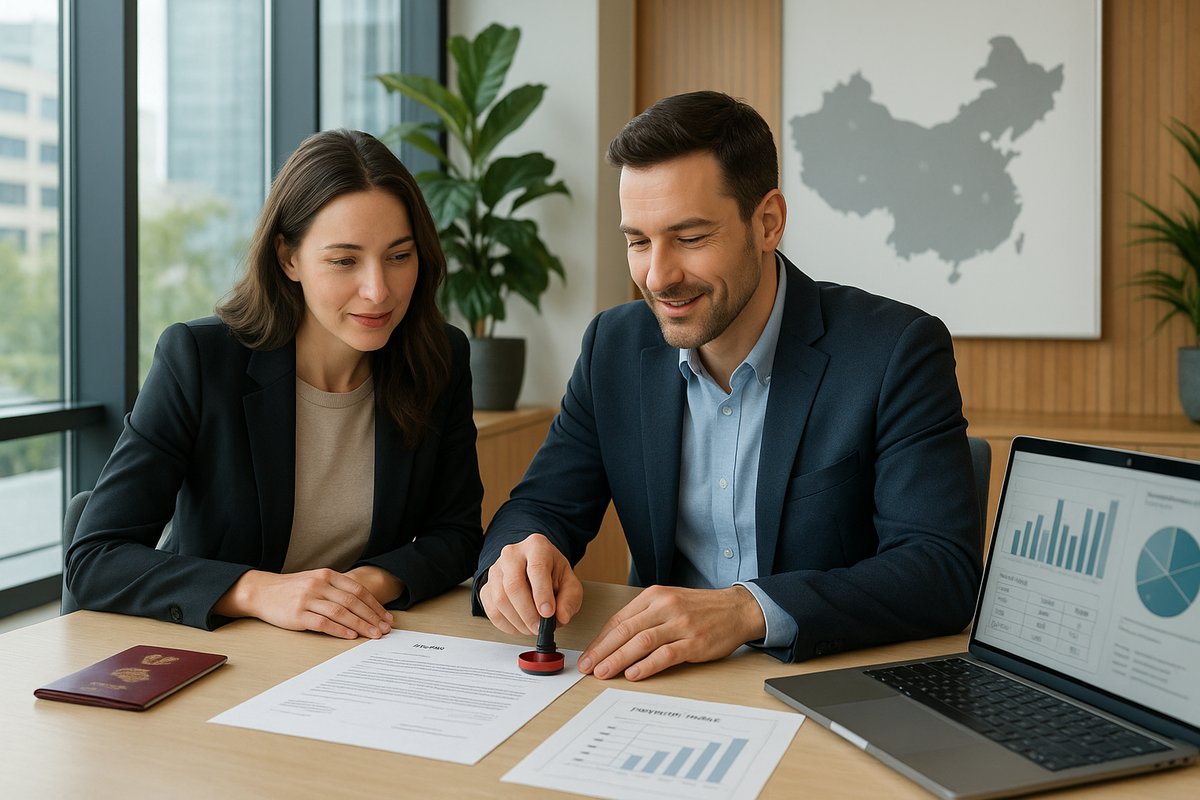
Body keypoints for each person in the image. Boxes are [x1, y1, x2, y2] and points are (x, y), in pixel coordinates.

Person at [474, 91, 982, 679]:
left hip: (825, 683)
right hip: (662, 688)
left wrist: (746, 611)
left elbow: (940, 570)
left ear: (768, 223)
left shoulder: (894, 350)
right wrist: (518, 558)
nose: (658, 276)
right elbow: (540, 505)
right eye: (638, 241)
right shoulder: (613, 348)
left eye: (690, 239)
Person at [67, 129, 483, 639]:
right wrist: (259, 591)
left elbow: (456, 534)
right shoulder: (199, 360)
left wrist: (361, 587)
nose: (378, 291)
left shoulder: (438, 356)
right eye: (344, 260)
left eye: (399, 256)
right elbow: (94, 559)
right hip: (219, 651)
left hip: (358, 647)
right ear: (289, 259)